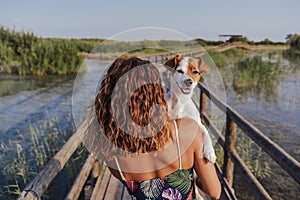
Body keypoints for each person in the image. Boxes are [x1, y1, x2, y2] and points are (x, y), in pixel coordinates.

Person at [93, 56, 221, 200]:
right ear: (154, 92)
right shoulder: (188, 130)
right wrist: (197, 180)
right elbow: (214, 192)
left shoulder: (112, 155)